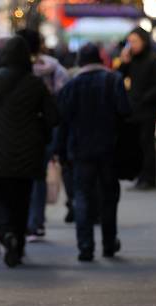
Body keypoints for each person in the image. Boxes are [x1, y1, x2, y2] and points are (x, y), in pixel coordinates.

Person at [0, 36, 58, 268]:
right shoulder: (35, 83)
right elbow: (54, 116)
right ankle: (18, 239)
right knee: (22, 198)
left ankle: (6, 234)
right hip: (29, 150)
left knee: (0, 196)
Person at [56, 43, 131, 262]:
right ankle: (109, 243)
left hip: (80, 150)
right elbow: (125, 111)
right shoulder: (113, 80)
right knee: (109, 196)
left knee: (82, 197)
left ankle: (85, 247)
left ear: (81, 60)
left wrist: (60, 151)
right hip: (109, 148)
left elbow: (63, 121)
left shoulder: (72, 84)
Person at [16, 29, 69, 242]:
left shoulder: (15, 70)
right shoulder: (53, 67)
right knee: (38, 175)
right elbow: (64, 97)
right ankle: (36, 222)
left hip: (20, 128)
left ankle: (23, 221)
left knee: (20, 176)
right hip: (47, 128)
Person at [118, 27, 156, 191]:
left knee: (147, 144)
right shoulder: (132, 59)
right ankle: (141, 177)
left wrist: (144, 98)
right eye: (130, 42)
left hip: (147, 110)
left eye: (135, 41)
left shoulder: (153, 60)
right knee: (138, 145)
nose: (132, 45)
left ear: (143, 41)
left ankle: (149, 178)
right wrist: (124, 63)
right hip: (134, 109)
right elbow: (119, 77)